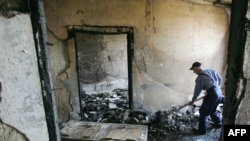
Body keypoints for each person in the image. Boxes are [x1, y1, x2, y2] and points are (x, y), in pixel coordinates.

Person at [188, 62, 222, 135]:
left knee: (203, 112)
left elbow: (197, 90)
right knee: (213, 110)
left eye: (194, 70)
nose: (194, 72)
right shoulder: (210, 71)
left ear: (197, 68)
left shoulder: (200, 77)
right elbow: (220, 79)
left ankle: (201, 130)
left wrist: (193, 100)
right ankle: (218, 124)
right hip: (219, 93)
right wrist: (214, 89)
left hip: (212, 94)